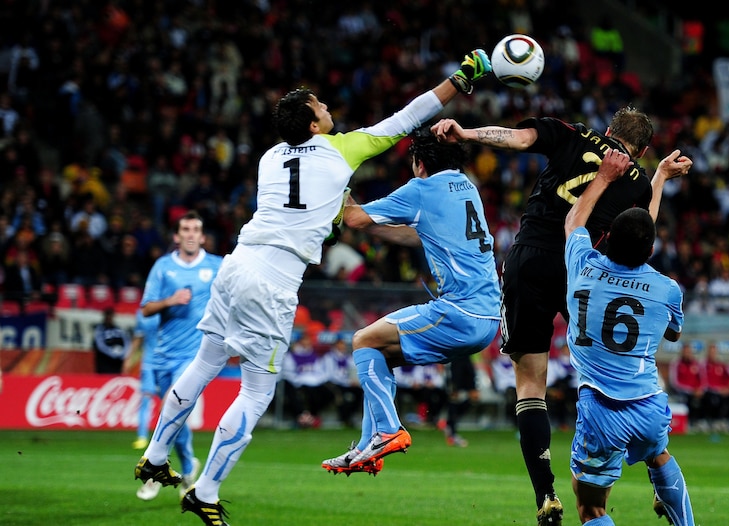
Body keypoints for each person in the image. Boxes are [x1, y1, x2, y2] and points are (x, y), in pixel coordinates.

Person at [133, 49, 492, 526]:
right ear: (314, 125)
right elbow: (408, 117)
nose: (327, 107)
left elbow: (309, 209)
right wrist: (461, 79)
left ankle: (156, 456)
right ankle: (207, 491)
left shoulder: (269, 158)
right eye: (320, 105)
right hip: (274, 280)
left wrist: (333, 213)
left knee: (206, 360)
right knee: (256, 392)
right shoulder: (343, 149)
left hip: (237, 262)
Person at [432, 106, 692, 525]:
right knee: (617, 362)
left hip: (532, 259)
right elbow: (642, 230)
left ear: (608, 131)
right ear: (642, 150)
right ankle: (654, 461)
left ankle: (546, 495)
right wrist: (657, 178)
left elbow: (515, 138)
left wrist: (465, 133)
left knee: (530, 386)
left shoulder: (571, 133)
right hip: (586, 276)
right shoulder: (638, 181)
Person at [320, 126, 500, 476]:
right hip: (489, 317)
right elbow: (420, 232)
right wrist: (372, 226)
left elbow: (353, 216)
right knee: (379, 352)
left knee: (362, 340)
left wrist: (333, 182)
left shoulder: (422, 188)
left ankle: (387, 430)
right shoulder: (467, 188)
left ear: (419, 163)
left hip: (458, 312)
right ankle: (365, 447)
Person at [563, 148, 694, 526]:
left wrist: (603, 178)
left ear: (606, 241)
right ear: (650, 250)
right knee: (659, 456)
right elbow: (672, 333)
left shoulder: (583, 266)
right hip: (649, 406)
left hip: (601, 409)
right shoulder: (667, 289)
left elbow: (574, 222)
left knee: (591, 508)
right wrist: (659, 181)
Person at [134, 211, 222, 501]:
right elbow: (145, 308)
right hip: (162, 354)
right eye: (185, 229)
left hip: (194, 355)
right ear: (176, 236)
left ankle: (154, 472)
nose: (191, 234)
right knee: (172, 415)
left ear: (202, 236)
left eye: (196, 228)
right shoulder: (162, 267)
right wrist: (170, 300)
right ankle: (186, 467)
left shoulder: (217, 266)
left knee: (174, 405)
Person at [122, 308, 161, 450]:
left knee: (170, 401)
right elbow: (138, 337)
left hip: (168, 363)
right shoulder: (143, 312)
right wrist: (129, 358)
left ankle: (168, 436)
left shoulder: (171, 308)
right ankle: (142, 436)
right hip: (149, 363)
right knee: (145, 398)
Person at [92, 306, 131, 374]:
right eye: (107, 315)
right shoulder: (100, 330)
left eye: (111, 315)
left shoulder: (118, 330)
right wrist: (112, 352)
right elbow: (99, 345)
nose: (109, 317)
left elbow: (127, 342)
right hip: (104, 364)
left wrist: (122, 353)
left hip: (117, 364)